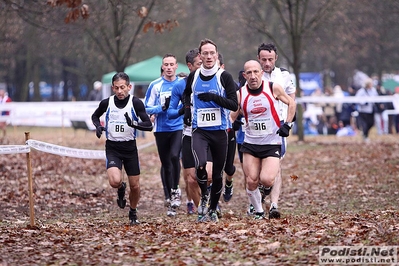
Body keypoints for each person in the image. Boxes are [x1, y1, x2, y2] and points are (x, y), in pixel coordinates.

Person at [231, 60, 296, 219]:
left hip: (271, 142)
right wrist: (232, 123)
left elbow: (291, 103)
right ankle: (259, 211)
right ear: (244, 75)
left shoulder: (273, 87)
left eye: (255, 72)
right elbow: (232, 116)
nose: (253, 76)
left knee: (266, 180)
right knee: (252, 181)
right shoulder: (241, 93)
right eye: (249, 73)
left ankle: (266, 192)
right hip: (251, 143)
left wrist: (287, 124)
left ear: (261, 73)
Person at [183, 38, 238, 222]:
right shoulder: (194, 76)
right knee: (200, 167)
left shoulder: (224, 77)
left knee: (217, 175)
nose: (208, 56)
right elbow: (186, 94)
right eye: (204, 53)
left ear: (216, 55)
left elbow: (233, 103)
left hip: (220, 131)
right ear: (200, 55)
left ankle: (213, 208)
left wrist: (214, 97)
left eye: (211, 53)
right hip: (200, 131)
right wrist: (187, 110)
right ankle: (204, 195)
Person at [91, 72, 153, 226]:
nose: (120, 91)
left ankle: (133, 211)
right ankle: (120, 188)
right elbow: (94, 116)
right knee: (114, 181)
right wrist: (98, 126)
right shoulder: (107, 103)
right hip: (113, 148)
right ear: (112, 88)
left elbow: (148, 124)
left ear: (129, 87)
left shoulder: (136, 102)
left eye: (123, 88)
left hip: (130, 148)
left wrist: (134, 124)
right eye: (117, 88)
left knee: (135, 186)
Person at [257, 42, 296, 219]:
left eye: (270, 59)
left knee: (277, 165)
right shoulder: (253, 75)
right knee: (258, 170)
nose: (266, 63)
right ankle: (259, 197)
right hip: (257, 127)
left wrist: (288, 123)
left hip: (278, 125)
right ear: (258, 59)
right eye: (263, 59)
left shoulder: (285, 76)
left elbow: (292, 100)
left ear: (276, 58)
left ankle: (274, 205)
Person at [145, 53, 183, 217]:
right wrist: (161, 108)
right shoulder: (155, 85)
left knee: (175, 156)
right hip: (161, 129)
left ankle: (175, 191)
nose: (168, 67)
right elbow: (146, 107)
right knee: (166, 163)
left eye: (171, 64)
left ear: (176, 67)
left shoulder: (182, 84)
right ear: (162, 67)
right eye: (165, 64)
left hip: (177, 127)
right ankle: (168, 194)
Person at [167, 48, 202, 215]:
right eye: (199, 64)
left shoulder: (216, 80)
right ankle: (203, 209)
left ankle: (212, 202)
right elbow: (170, 112)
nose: (204, 65)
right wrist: (183, 110)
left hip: (212, 134)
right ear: (190, 66)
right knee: (191, 179)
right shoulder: (180, 86)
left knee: (208, 176)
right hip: (189, 134)